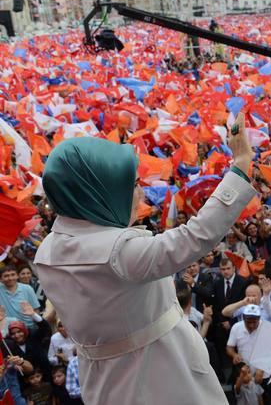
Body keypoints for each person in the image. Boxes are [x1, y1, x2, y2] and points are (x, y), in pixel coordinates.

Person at [33, 114, 256, 404]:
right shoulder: (118, 253)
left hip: (104, 383)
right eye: (129, 184)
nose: (138, 192)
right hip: (162, 377)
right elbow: (195, 236)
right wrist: (240, 167)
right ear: (97, 192)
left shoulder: (48, 250)